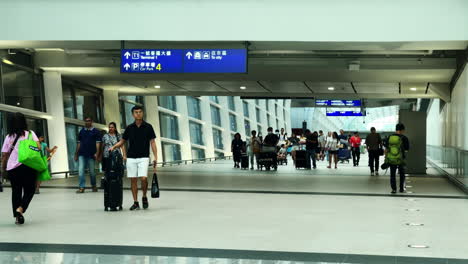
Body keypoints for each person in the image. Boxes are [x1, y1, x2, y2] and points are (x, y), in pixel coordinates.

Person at [109, 106, 158, 210]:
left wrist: (156, 157)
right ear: (133, 114)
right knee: (133, 180)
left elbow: (152, 142)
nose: (138, 114)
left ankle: (144, 196)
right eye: (136, 112)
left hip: (144, 157)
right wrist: (113, 147)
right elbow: (123, 141)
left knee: (143, 178)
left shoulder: (148, 127)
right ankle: (135, 202)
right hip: (131, 157)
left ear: (143, 113)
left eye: (140, 112)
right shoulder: (129, 127)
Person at [1, 112, 41, 225]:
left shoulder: (9, 137)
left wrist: (3, 167)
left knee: (16, 191)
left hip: (13, 168)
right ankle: (21, 208)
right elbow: (38, 148)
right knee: (30, 189)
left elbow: (4, 155)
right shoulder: (30, 134)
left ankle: (17, 217)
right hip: (28, 166)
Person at [75, 117, 102, 193]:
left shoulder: (96, 131)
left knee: (92, 172)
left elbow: (98, 143)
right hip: (82, 154)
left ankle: (94, 186)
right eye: (86, 121)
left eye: (89, 121)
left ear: (92, 122)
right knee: (80, 171)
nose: (87, 122)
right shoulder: (82, 131)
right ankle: (81, 187)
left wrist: (97, 152)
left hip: (91, 154)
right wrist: (76, 154)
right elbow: (79, 143)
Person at [384, 123, 410, 194]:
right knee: (402, 173)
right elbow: (407, 149)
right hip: (401, 159)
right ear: (402, 130)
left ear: (396, 129)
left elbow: (386, 149)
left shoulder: (390, 137)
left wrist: (386, 157)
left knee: (392, 174)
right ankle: (401, 188)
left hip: (391, 158)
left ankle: (393, 189)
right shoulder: (404, 138)